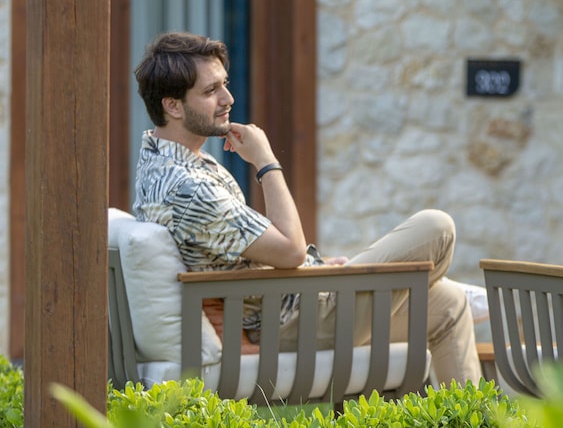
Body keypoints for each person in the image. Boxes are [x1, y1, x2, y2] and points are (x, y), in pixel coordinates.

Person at [131, 31, 481, 383]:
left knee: (447, 304)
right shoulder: (189, 188)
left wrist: (319, 267)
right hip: (288, 320)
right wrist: (266, 162)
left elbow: (251, 253)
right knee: (437, 228)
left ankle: (471, 409)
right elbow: (291, 251)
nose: (228, 98)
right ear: (173, 106)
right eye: (211, 91)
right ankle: (370, 283)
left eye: (225, 84)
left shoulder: (162, 162)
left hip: (288, 304)